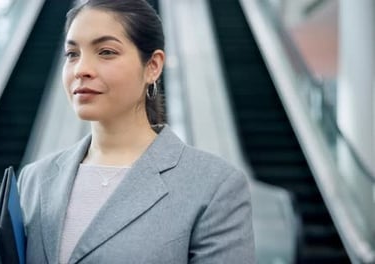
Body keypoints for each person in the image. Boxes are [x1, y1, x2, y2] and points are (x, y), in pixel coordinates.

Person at [18, 0, 255, 263]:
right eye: (72, 54)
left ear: (152, 66)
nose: (81, 69)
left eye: (106, 52)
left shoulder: (214, 186)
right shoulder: (34, 180)